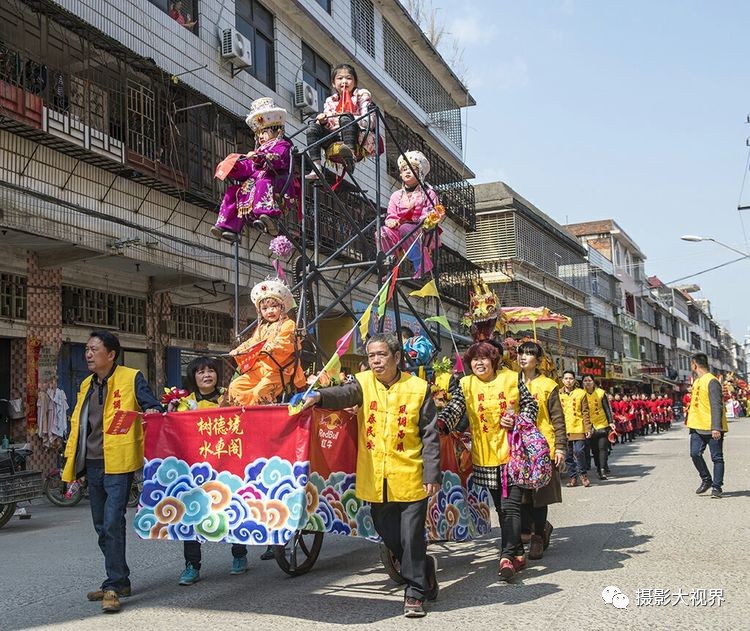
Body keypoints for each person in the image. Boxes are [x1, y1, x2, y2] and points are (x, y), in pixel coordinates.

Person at [301, 333, 441, 618]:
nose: (376, 361)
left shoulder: (418, 388)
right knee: (388, 533)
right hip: (376, 475)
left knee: (411, 535)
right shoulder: (363, 384)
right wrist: (318, 396)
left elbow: (430, 435)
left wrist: (432, 473)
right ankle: (424, 568)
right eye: (371, 356)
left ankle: (414, 593)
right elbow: (343, 394)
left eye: (381, 355)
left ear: (397, 357)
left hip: (411, 473)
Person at [62, 331, 162, 614]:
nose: (88, 354)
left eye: (94, 349)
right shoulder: (85, 385)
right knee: (99, 525)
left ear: (112, 354)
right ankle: (120, 579)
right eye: (87, 350)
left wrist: (153, 411)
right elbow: (81, 426)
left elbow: (151, 404)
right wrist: (73, 462)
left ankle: (114, 585)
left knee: (112, 522)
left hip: (118, 462)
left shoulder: (131, 378)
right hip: (92, 462)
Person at [438, 340, 539, 582]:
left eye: (484, 358)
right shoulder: (466, 384)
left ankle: (506, 557)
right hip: (484, 456)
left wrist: (518, 419)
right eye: (474, 360)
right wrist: (439, 424)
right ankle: (517, 552)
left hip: (514, 454)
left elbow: (531, 405)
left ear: (493, 360)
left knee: (511, 506)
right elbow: (454, 409)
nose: (479, 363)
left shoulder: (512, 379)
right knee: (502, 509)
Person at [172, 357, 249, 585]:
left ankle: (239, 555)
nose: (207, 375)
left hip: (228, 463)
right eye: (201, 372)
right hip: (195, 467)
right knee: (191, 514)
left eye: (210, 371)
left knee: (233, 509)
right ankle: (192, 565)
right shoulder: (184, 401)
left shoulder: (231, 395)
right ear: (193, 377)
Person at [212, 97, 299, 241]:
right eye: (258, 134)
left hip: (277, 182)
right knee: (232, 191)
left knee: (262, 183)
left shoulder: (283, 145)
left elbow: (278, 159)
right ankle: (228, 227)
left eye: (264, 132)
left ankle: (268, 215)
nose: (261, 137)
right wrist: (234, 166)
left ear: (277, 131)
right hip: (255, 184)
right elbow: (248, 169)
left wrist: (260, 157)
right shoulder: (259, 150)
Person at [517, 341, 566, 560]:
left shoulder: (548, 385)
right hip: (518, 446)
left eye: (529, 353)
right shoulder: (511, 382)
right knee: (521, 496)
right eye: (521, 353)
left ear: (538, 360)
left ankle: (537, 537)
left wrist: (561, 448)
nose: (523, 357)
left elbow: (558, 419)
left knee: (539, 495)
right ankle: (541, 527)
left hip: (543, 446)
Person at [227, 278, 306, 406]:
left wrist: (269, 348)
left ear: (282, 306)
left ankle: (260, 419)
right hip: (260, 369)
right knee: (235, 387)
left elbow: (285, 344)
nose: (269, 311)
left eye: (274, 306)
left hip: (280, 370)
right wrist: (239, 350)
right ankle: (241, 416)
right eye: (265, 308)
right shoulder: (262, 327)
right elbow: (252, 342)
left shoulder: (289, 324)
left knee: (260, 392)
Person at [305, 63, 376, 179]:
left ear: (355, 82)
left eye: (348, 78)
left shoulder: (362, 95)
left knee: (345, 117)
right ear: (333, 83)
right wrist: (323, 121)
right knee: (312, 126)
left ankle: (350, 155)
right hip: (334, 136)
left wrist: (348, 118)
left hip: (357, 135)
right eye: (339, 78)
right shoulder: (330, 100)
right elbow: (329, 124)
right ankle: (317, 168)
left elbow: (369, 121)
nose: (344, 81)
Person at [380, 151, 443, 278]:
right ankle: (390, 266)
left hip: (422, 231)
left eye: (412, 169)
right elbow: (391, 214)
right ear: (400, 174)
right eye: (404, 169)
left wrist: (422, 220)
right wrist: (391, 221)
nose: (407, 172)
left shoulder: (429, 193)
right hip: (400, 230)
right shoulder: (396, 195)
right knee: (382, 232)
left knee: (406, 228)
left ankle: (420, 263)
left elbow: (431, 211)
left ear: (419, 173)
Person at [687, 353, 728, 499]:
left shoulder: (712, 381)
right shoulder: (697, 381)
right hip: (697, 425)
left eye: (691, 364)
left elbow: (717, 405)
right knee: (694, 453)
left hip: (712, 427)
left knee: (717, 458)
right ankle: (706, 479)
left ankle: (717, 487)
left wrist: (716, 427)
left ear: (694, 364)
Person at [559, 371, 592, 488]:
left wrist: (588, 428)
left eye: (571, 378)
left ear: (574, 380)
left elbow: (585, 412)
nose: (568, 381)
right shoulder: (558, 394)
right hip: (563, 429)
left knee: (579, 452)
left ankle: (583, 475)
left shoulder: (581, 394)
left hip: (578, 427)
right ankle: (573, 477)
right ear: (562, 380)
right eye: (566, 378)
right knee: (567, 455)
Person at [581, 375, 615, 480]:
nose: (588, 382)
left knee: (602, 448)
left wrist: (610, 422)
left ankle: (602, 470)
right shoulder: (580, 394)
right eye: (585, 381)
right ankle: (598, 466)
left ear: (593, 382)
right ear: (582, 382)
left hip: (602, 424)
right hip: (589, 426)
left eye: (590, 380)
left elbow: (606, 408)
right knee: (595, 450)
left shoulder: (601, 393)